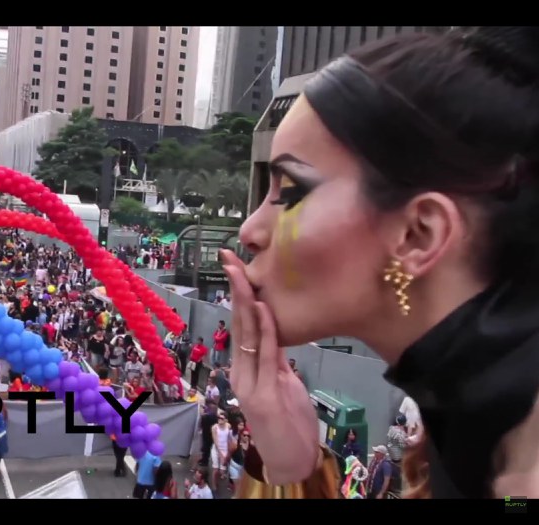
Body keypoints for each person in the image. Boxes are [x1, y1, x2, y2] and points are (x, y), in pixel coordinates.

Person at [220, 26, 539, 499]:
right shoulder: (471, 429)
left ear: (418, 234)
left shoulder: (523, 467)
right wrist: (292, 465)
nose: (249, 230)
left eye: (288, 191)